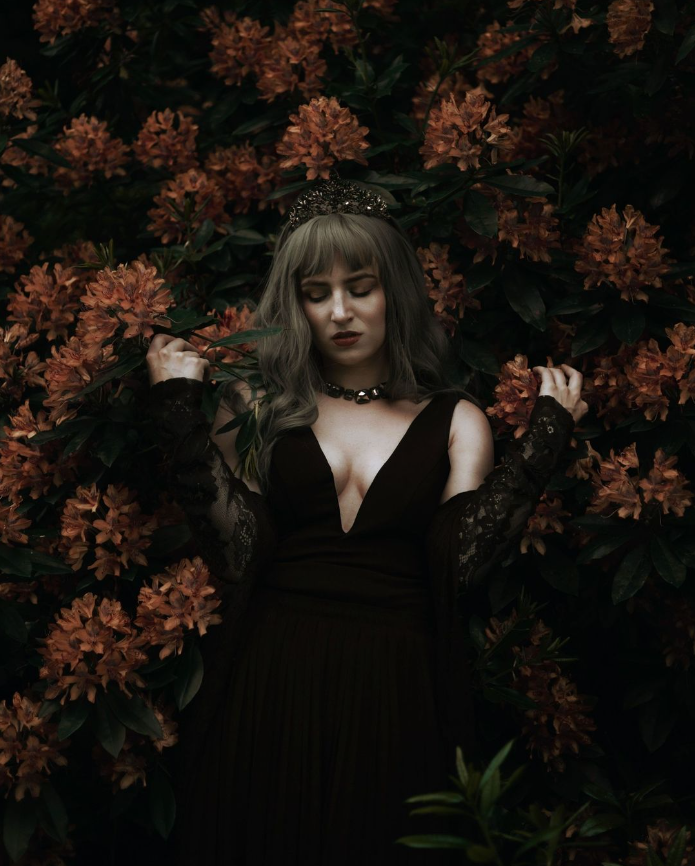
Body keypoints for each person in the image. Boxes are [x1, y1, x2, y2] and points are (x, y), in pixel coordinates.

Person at [145, 172, 588, 865]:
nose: (339, 312)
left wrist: (542, 446)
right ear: (295, 307)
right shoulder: (256, 407)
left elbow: (461, 565)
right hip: (273, 674)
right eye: (314, 293)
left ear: (396, 292)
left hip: (396, 681)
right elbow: (233, 554)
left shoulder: (454, 420)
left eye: (360, 286)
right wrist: (177, 410)